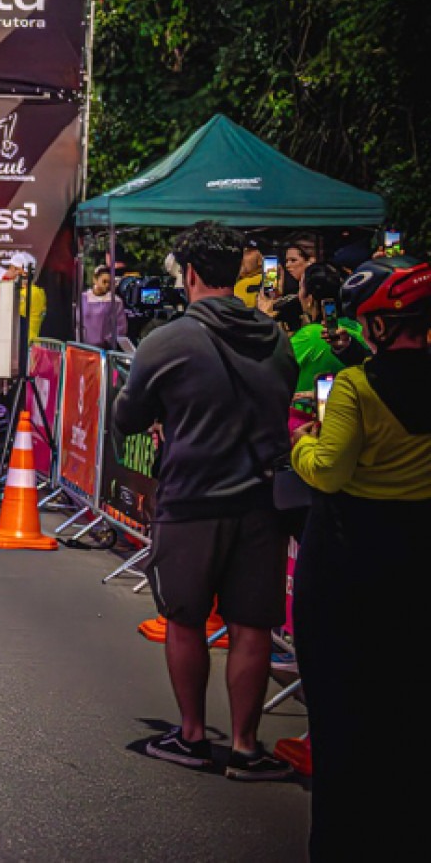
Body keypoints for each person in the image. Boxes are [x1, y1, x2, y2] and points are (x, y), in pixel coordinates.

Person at [110, 220, 296, 779]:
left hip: (191, 497)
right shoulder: (276, 338)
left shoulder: (167, 340)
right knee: (252, 625)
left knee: (186, 620)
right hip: (262, 501)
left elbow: (127, 416)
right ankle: (246, 746)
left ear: (189, 274)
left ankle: (192, 735)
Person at [289, 260, 431, 852]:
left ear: (374, 327)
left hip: (349, 563)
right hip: (417, 560)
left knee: (342, 716)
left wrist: (301, 435)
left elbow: (328, 472)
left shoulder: (357, 387)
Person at [288, 264, 368, 396]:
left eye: (300, 288)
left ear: (310, 299)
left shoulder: (309, 335)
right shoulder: (360, 330)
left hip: (306, 413)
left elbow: (270, 370)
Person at [79, 264, 122, 350]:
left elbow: (120, 326)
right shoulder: (83, 298)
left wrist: (108, 341)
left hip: (104, 349)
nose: (107, 285)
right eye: (104, 281)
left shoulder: (115, 301)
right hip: (82, 347)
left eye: (109, 283)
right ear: (95, 280)